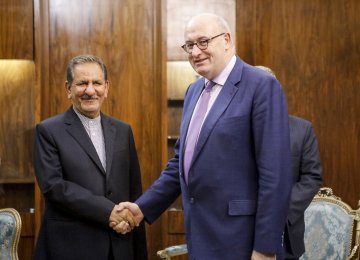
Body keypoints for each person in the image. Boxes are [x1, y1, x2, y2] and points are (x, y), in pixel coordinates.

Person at [113, 13, 293, 259]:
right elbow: (181, 164)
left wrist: (265, 248)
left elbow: (276, 174)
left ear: (227, 40)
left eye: (203, 42)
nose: (195, 52)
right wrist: (142, 208)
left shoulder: (260, 85)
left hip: (243, 241)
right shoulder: (193, 90)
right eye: (189, 45)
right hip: (200, 237)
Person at [33, 54, 147, 260]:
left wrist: (130, 222)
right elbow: (54, 187)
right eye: (82, 83)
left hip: (120, 243)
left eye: (97, 83)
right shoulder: (48, 131)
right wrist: (109, 212)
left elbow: (133, 187)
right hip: (71, 247)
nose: (90, 90)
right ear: (68, 89)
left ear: (107, 87)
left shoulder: (123, 131)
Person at [255, 66, 323, 259]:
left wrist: (280, 206)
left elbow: (312, 177)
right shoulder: (234, 130)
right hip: (240, 229)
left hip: (285, 233)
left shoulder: (302, 130)